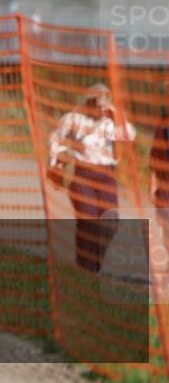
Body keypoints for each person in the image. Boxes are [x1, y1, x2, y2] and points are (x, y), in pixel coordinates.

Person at [48, 83, 136, 272]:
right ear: (89, 102)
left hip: (106, 175)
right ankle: (86, 270)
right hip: (81, 173)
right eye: (98, 104)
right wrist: (58, 162)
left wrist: (116, 115)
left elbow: (129, 135)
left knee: (110, 222)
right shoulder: (74, 118)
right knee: (88, 221)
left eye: (106, 104)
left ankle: (95, 266)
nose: (102, 109)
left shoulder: (110, 122)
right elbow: (55, 138)